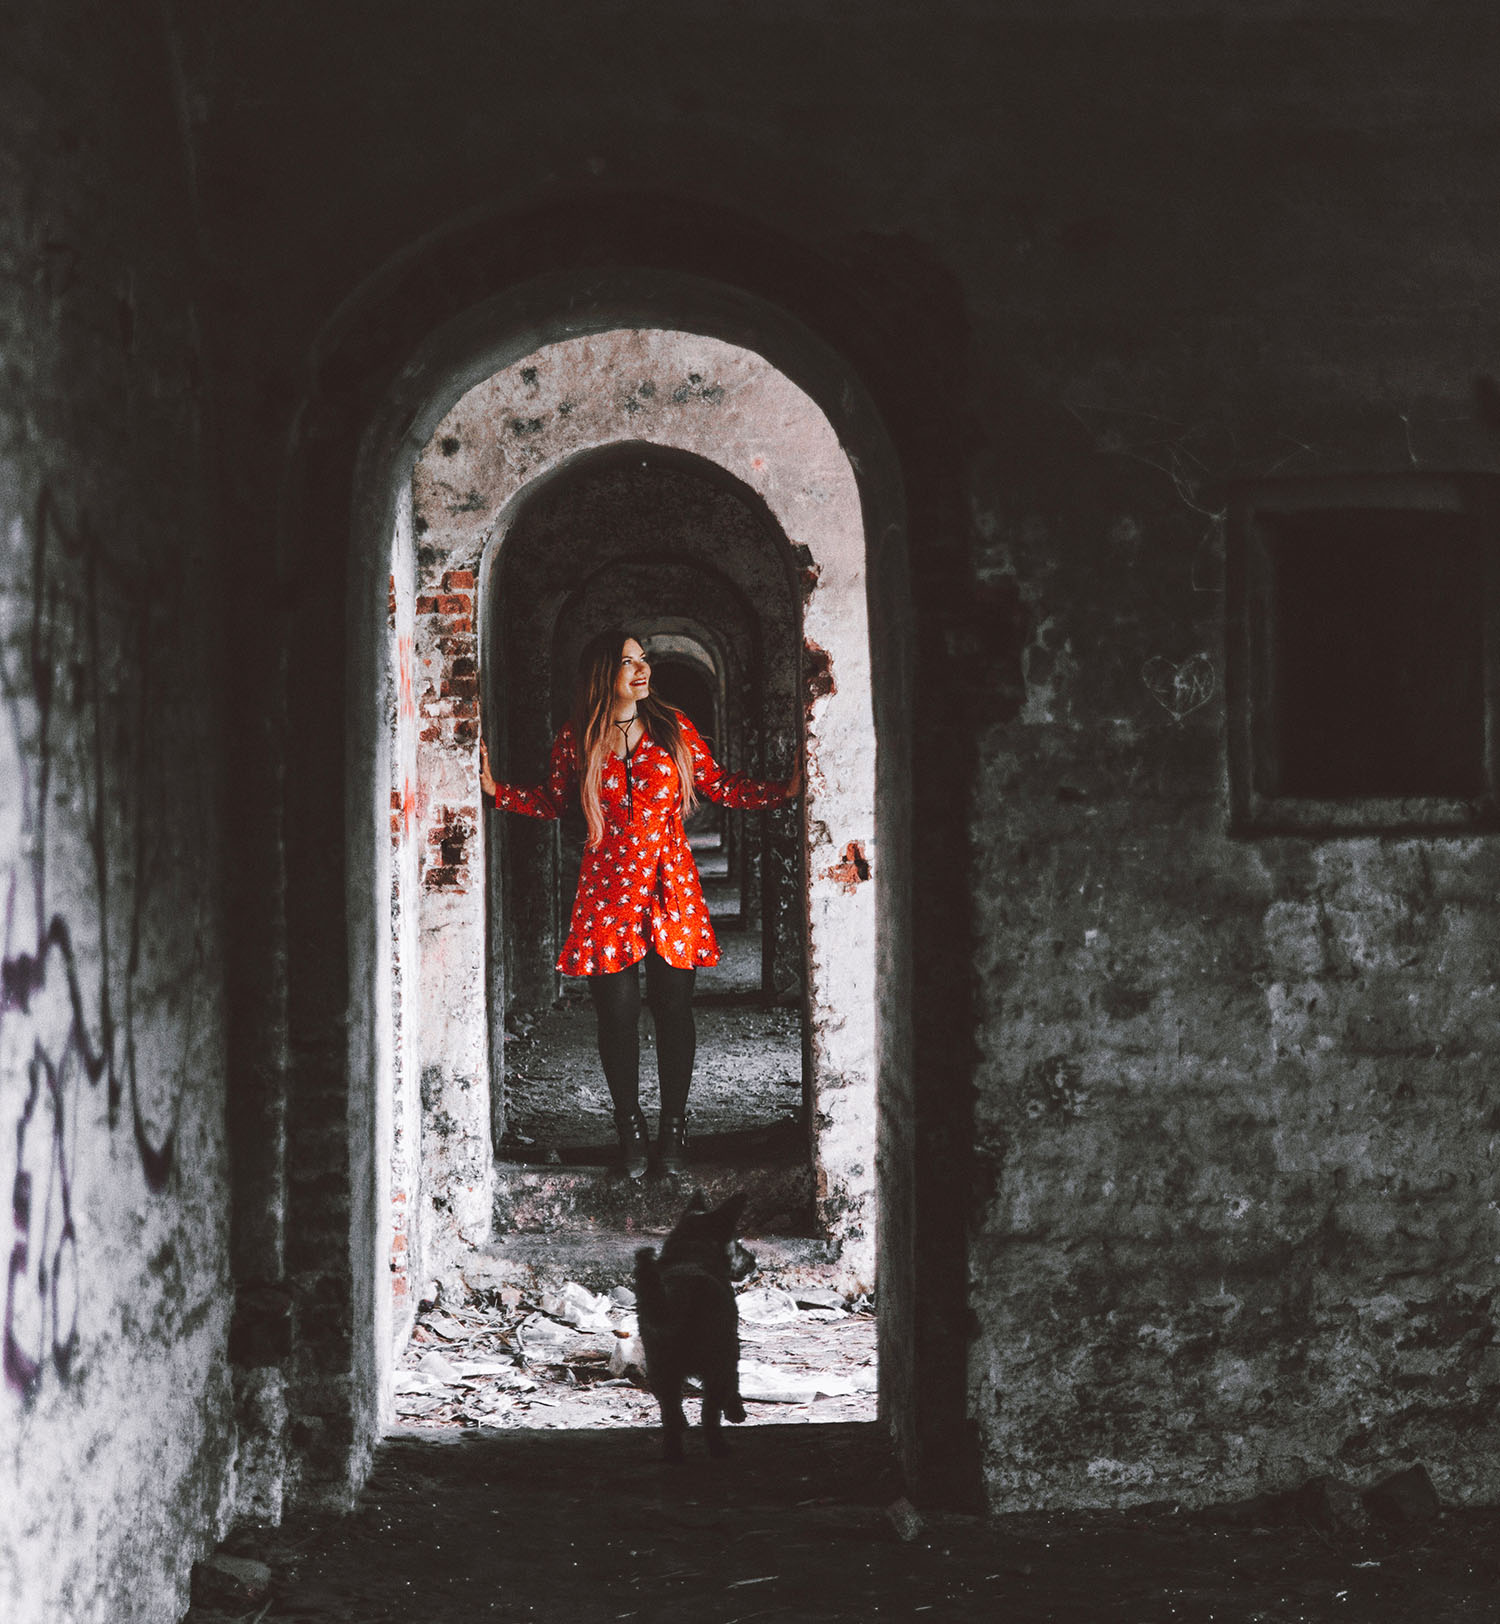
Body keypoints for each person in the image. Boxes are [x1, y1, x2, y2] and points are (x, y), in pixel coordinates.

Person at [480, 627, 801, 1177]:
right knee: (618, 1016)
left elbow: (719, 783)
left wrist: (783, 791)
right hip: (607, 893)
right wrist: (497, 792)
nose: (643, 669)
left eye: (643, 659)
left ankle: (673, 1138)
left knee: (674, 1009)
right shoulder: (577, 736)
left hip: (671, 886)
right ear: (606, 674)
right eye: (629, 662)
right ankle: (630, 1138)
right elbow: (556, 801)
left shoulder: (673, 727)